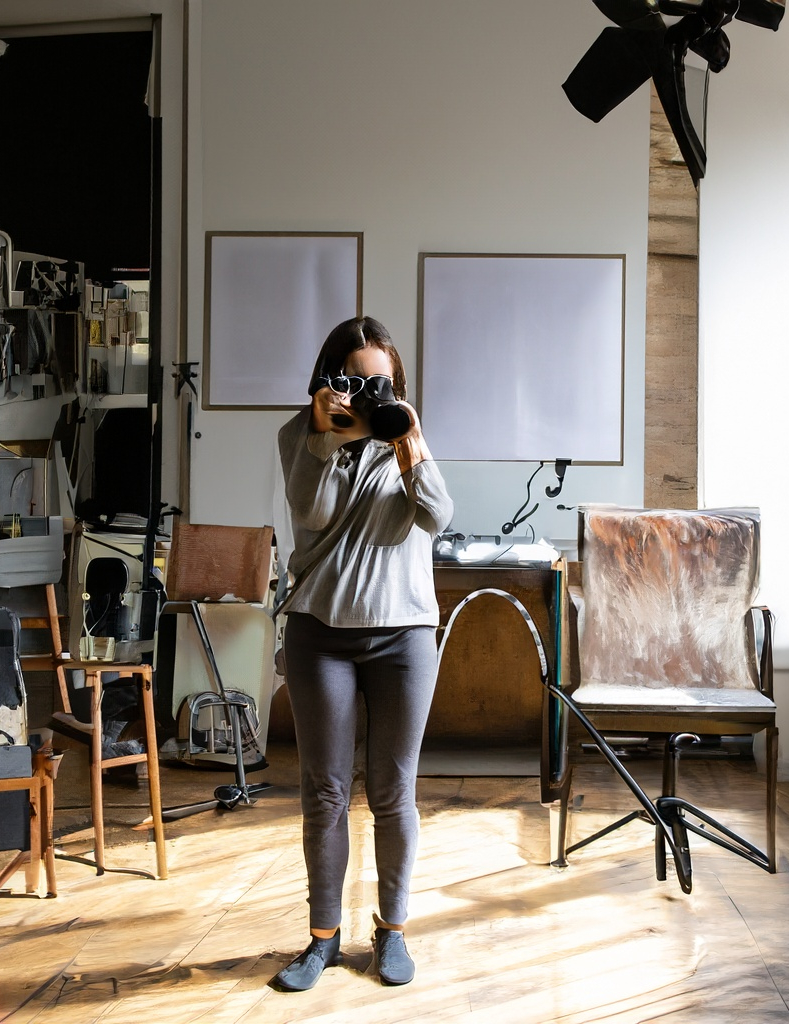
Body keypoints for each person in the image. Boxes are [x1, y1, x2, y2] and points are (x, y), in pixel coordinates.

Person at [271, 316, 453, 992]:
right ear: (330, 382)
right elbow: (312, 513)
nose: (370, 393)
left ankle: (393, 931)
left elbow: (437, 514)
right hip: (320, 632)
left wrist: (406, 440)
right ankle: (322, 939)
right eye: (358, 381)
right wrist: (323, 434)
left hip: (403, 634)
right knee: (324, 790)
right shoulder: (301, 435)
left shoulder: (405, 433)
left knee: (393, 791)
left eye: (383, 382)